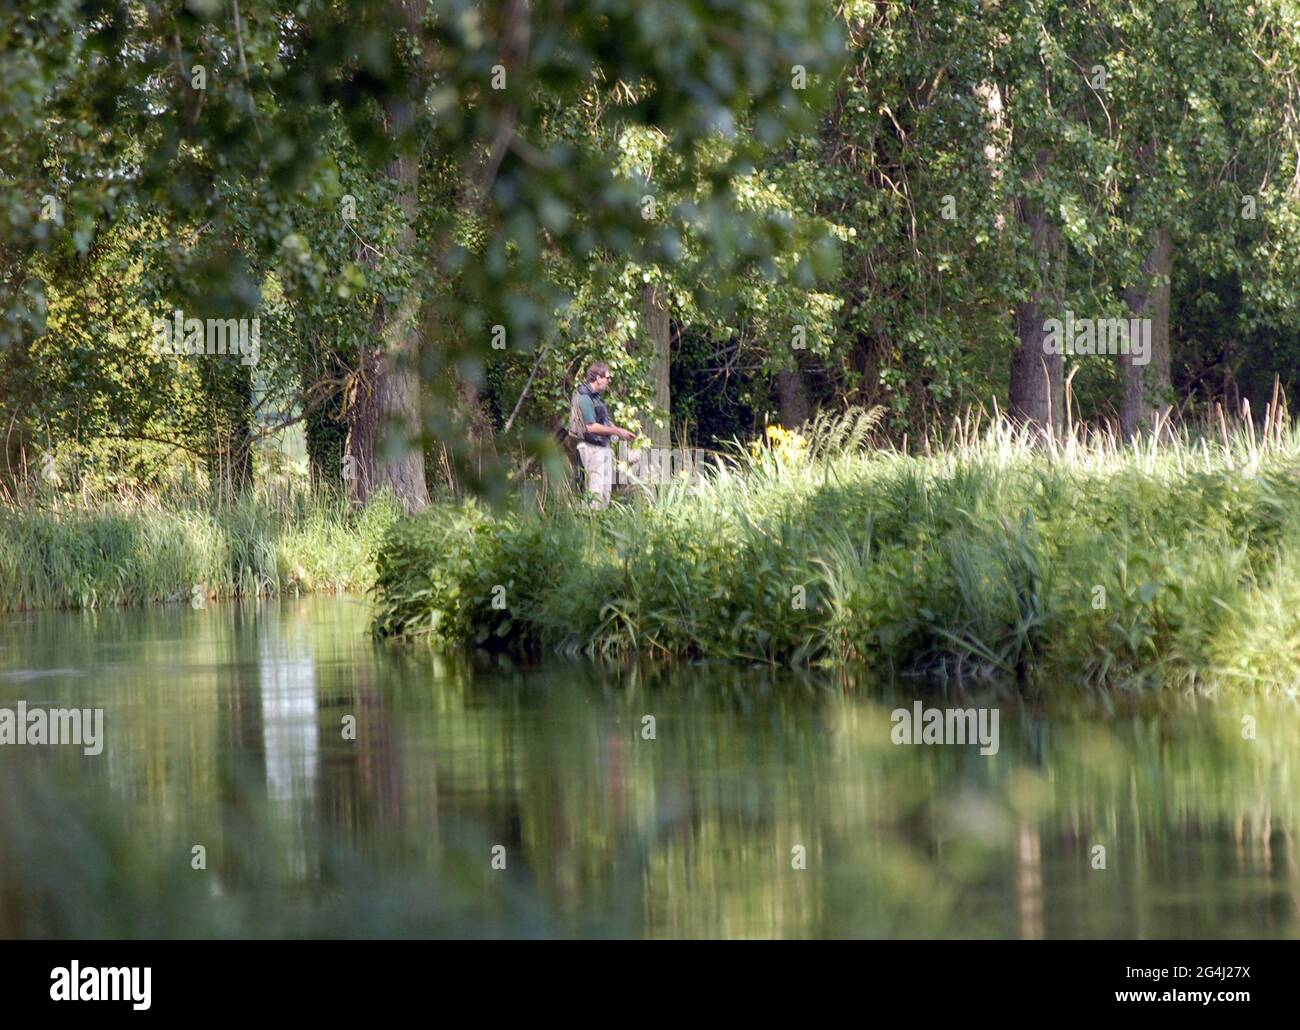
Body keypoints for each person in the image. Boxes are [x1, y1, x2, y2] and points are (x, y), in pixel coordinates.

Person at [568, 362, 635, 509]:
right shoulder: (585, 397)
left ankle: (600, 520)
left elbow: (605, 421)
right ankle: (590, 520)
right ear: (598, 378)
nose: (609, 381)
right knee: (595, 491)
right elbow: (591, 427)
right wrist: (617, 432)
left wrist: (621, 431)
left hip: (602, 446)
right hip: (590, 447)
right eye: (607, 378)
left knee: (605, 492)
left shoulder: (596, 397)